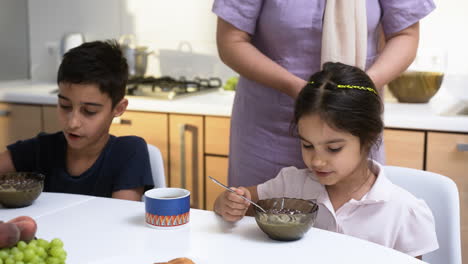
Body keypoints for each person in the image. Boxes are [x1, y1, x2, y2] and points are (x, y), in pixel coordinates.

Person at [214, 62, 438, 258]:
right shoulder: (291, 184)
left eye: (334, 148)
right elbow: (236, 203)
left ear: (368, 137)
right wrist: (230, 203)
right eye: (307, 145)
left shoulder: (403, 212)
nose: (317, 161)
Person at [212, 0, 436, 187]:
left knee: (354, 223)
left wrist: (359, 89)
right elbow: (231, 41)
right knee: (264, 222)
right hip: (269, 132)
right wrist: (297, 89)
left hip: (350, 124)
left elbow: (405, 34)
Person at [0, 40, 153, 201]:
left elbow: (119, 220)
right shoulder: (42, 150)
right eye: (65, 106)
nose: (73, 123)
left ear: (118, 108)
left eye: (89, 111)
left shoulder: (128, 153)